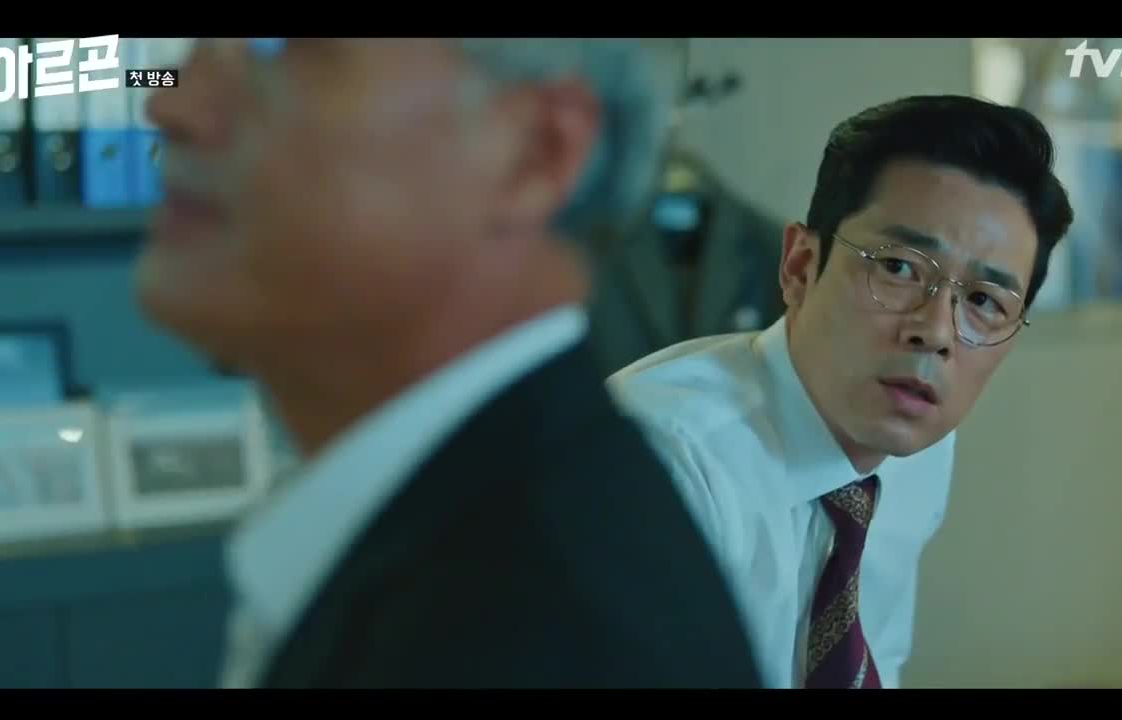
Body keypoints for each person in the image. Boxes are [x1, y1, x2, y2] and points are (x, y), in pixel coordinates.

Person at [135, 38, 762, 689]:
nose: (169, 104)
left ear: (535, 152)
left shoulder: (548, 630)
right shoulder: (464, 550)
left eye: (282, 49)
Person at [607, 95, 1075, 689]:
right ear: (800, 266)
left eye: (984, 301)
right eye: (899, 268)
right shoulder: (663, 463)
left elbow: (881, 654)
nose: (935, 332)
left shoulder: (917, 447)